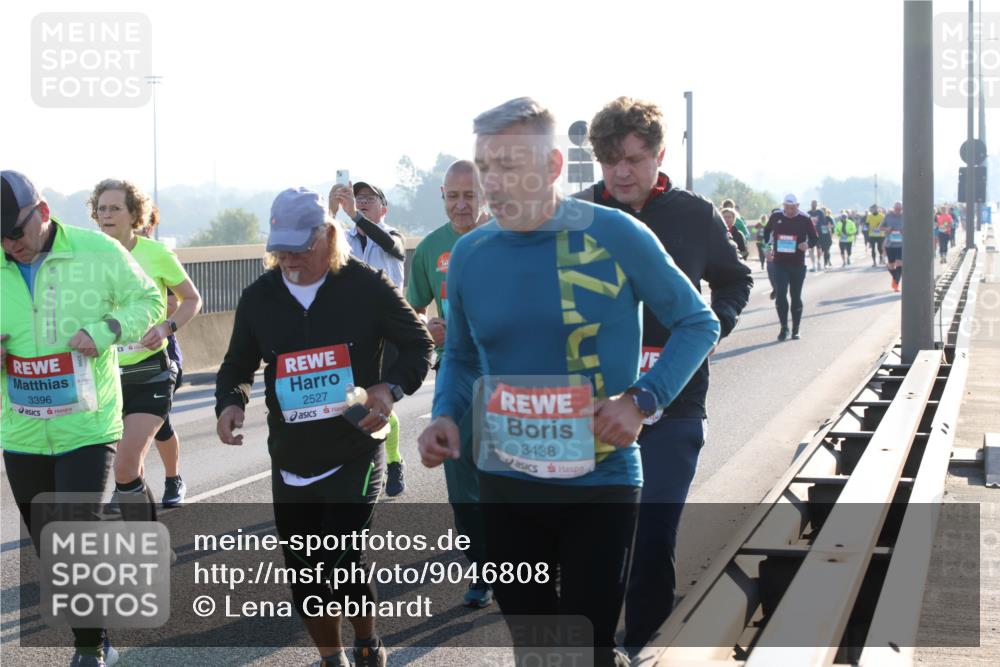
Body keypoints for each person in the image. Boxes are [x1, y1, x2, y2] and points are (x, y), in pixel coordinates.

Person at [418, 97, 720, 667]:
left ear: (554, 166)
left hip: (599, 482)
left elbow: (696, 322)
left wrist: (641, 400)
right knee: (536, 650)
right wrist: (443, 414)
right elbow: (459, 353)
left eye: (510, 165)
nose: (494, 183)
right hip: (505, 482)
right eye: (486, 167)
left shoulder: (616, 234)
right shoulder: (470, 254)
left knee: (583, 650)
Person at [215, 187, 433, 667]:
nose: (290, 260)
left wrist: (388, 389)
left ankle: (368, 640)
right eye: (281, 251)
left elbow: (420, 346)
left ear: (328, 235)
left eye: (300, 249)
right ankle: (333, 658)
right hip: (291, 457)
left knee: (338, 558)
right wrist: (229, 403)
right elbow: (236, 366)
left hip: (354, 447)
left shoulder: (367, 286)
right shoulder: (260, 298)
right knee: (304, 574)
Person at [575, 96, 752, 653]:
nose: (621, 171)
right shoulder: (578, 215)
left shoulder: (694, 215)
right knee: (593, 545)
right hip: (594, 407)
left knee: (652, 538)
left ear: (658, 154)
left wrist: (715, 325)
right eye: (610, 160)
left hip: (674, 405)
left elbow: (734, 279)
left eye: (633, 157)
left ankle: (647, 647)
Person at [2, 170, 162, 667]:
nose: (10, 245)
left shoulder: (97, 252)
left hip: (88, 425)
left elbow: (150, 301)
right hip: (22, 429)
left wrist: (107, 327)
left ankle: (91, 649)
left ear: (43, 213)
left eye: (16, 233)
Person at [405, 159, 494, 608]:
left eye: (470, 195)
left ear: (486, 195)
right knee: (462, 475)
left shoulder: (508, 236)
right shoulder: (432, 249)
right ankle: (481, 570)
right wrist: (429, 328)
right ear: (442, 196)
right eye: (453, 196)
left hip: (509, 374)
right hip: (457, 371)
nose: (461, 205)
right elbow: (413, 310)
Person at [89, 179, 202, 523]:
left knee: (125, 463)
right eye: (101, 209)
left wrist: (166, 327)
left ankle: (165, 487)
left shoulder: (155, 253)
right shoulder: (85, 255)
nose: (106, 215)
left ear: (134, 213)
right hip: (104, 375)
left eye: (114, 208)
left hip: (149, 371)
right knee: (127, 470)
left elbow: (192, 300)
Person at [329, 181, 408, 496]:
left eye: (368, 199)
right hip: (351, 335)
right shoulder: (343, 239)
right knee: (351, 402)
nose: (360, 202)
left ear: (383, 209)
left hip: (388, 335)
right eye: (356, 197)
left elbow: (392, 248)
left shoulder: (391, 236)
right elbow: (317, 244)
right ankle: (359, 465)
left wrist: (353, 215)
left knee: (380, 402)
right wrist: (332, 211)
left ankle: (393, 461)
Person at [140, 207, 188, 506]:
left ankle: (173, 479)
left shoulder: (157, 256)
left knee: (161, 425)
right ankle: (130, 484)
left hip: (161, 353)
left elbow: (176, 304)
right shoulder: (104, 259)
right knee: (121, 427)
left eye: (143, 224)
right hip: (119, 356)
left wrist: (141, 310)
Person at [763, 194, 818, 341]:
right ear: (783, 206)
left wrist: (808, 244)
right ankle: (783, 328)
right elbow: (767, 231)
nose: (790, 211)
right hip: (780, 263)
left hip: (797, 263)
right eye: (787, 208)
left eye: (793, 208)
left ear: (798, 206)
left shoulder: (805, 218)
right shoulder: (776, 216)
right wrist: (768, 247)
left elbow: (814, 238)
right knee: (780, 295)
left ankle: (796, 329)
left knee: (795, 296)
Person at [880, 200, 904, 291]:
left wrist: (904, 231)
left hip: (901, 244)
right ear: (894, 208)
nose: (898, 210)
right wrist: (887, 229)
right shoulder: (888, 216)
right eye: (896, 208)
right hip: (890, 245)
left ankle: (896, 284)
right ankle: (895, 278)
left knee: (899, 263)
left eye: (899, 208)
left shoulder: (905, 216)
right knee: (891, 265)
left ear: (902, 208)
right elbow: (880, 228)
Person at [807, 200, 824, 272]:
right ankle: (813, 264)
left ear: (816, 204)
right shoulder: (808, 213)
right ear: (811, 204)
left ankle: (819, 261)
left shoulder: (820, 212)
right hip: (810, 233)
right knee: (810, 249)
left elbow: (823, 222)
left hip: (818, 233)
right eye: (812, 203)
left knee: (819, 248)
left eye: (814, 203)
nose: (813, 205)